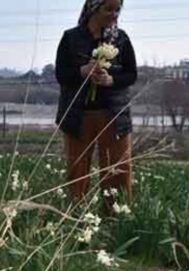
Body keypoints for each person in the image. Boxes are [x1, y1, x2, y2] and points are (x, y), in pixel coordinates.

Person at [55, 0, 137, 206]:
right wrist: (82, 72)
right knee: (78, 168)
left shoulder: (121, 39)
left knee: (117, 168)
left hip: (113, 115)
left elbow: (131, 74)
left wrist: (111, 80)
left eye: (118, 9)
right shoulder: (71, 38)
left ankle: (116, 214)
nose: (114, 14)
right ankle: (76, 214)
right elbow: (61, 75)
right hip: (78, 115)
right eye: (108, 9)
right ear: (93, 9)